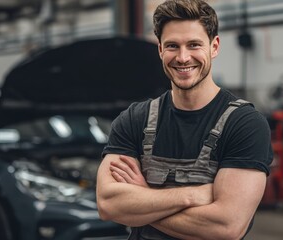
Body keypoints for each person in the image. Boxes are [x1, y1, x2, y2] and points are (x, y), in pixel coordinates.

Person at [96, 0, 273, 239]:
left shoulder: (245, 124)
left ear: (214, 46)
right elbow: (109, 204)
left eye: (194, 45)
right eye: (172, 46)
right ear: (160, 50)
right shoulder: (135, 119)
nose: (182, 57)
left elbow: (226, 227)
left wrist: (143, 198)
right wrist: (191, 196)